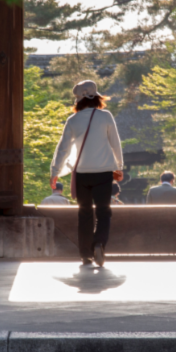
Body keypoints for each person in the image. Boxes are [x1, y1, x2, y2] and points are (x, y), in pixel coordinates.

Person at [50, 80, 123, 268]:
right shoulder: (105, 116)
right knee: (104, 212)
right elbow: (115, 142)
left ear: (78, 100)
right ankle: (99, 243)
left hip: (82, 174)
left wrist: (55, 172)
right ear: (97, 97)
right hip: (104, 172)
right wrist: (119, 167)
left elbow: (62, 149)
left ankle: (85, 255)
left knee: (84, 214)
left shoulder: (73, 120)